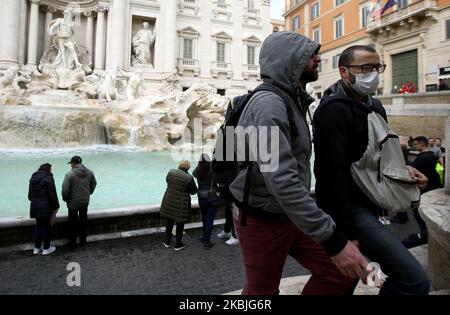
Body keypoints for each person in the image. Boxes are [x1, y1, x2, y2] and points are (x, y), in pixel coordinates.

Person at [229, 32, 368, 296]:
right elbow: (281, 180)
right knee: (261, 293)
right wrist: (333, 240)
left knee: (339, 274)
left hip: (293, 213)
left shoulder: (291, 100)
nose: (318, 58)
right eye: (310, 54)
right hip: (262, 219)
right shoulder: (269, 105)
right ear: (288, 60)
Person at [313, 45, 430, 295]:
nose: (373, 73)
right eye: (365, 68)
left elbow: (378, 157)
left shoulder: (375, 105)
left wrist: (406, 171)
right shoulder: (332, 111)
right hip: (352, 212)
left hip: (372, 205)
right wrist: (347, 235)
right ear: (344, 72)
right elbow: (331, 176)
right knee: (414, 280)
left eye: (377, 67)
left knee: (353, 279)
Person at [402, 136, 443, 248]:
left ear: (422, 144)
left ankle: (426, 235)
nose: (415, 146)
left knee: (418, 212)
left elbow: (414, 167)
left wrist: (403, 160)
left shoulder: (423, 157)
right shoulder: (431, 154)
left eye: (416, 144)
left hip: (425, 188)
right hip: (431, 185)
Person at [160, 160, 198, 251]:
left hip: (169, 200)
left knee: (169, 222)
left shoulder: (171, 172)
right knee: (180, 224)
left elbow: (167, 180)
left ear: (179, 165)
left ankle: (167, 242)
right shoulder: (189, 177)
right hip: (181, 203)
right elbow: (193, 191)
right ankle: (178, 244)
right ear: (188, 168)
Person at [62, 156, 97, 247]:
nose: (71, 166)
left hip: (73, 203)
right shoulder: (89, 172)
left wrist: (66, 199)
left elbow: (65, 190)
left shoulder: (69, 174)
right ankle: (83, 240)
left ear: (73, 163)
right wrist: (89, 193)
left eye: (71, 164)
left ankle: (72, 242)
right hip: (84, 201)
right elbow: (94, 183)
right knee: (83, 220)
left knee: (72, 222)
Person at [29, 163, 60, 256]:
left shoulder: (33, 178)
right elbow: (52, 194)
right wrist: (56, 207)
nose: (51, 171)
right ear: (48, 170)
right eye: (51, 169)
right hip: (46, 207)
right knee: (46, 226)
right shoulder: (49, 178)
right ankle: (46, 248)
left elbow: (29, 196)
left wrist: (36, 202)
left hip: (35, 206)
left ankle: (36, 248)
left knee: (38, 226)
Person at [193, 154, 217, 249]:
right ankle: (207, 241)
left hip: (201, 198)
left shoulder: (198, 171)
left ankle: (204, 236)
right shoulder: (212, 171)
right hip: (212, 198)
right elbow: (218, 178)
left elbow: (193, 173)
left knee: (204, 217)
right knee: (209, 219)